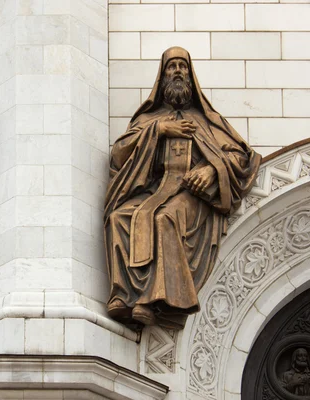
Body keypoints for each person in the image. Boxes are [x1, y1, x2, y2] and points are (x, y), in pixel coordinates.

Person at [104, 47, 261, 328]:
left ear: (191, 75)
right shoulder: (148, 121)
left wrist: (212, 169)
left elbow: (242, 156)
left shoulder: (207, 120)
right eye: (171, 66)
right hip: (157, 191)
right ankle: (125, 294)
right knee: (119, 218)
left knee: (166, 218)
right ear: (162, 77)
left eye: (183, 66)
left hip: (191, 194)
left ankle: (161, 300)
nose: (177, 71)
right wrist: (158, 131)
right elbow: (118, 155)